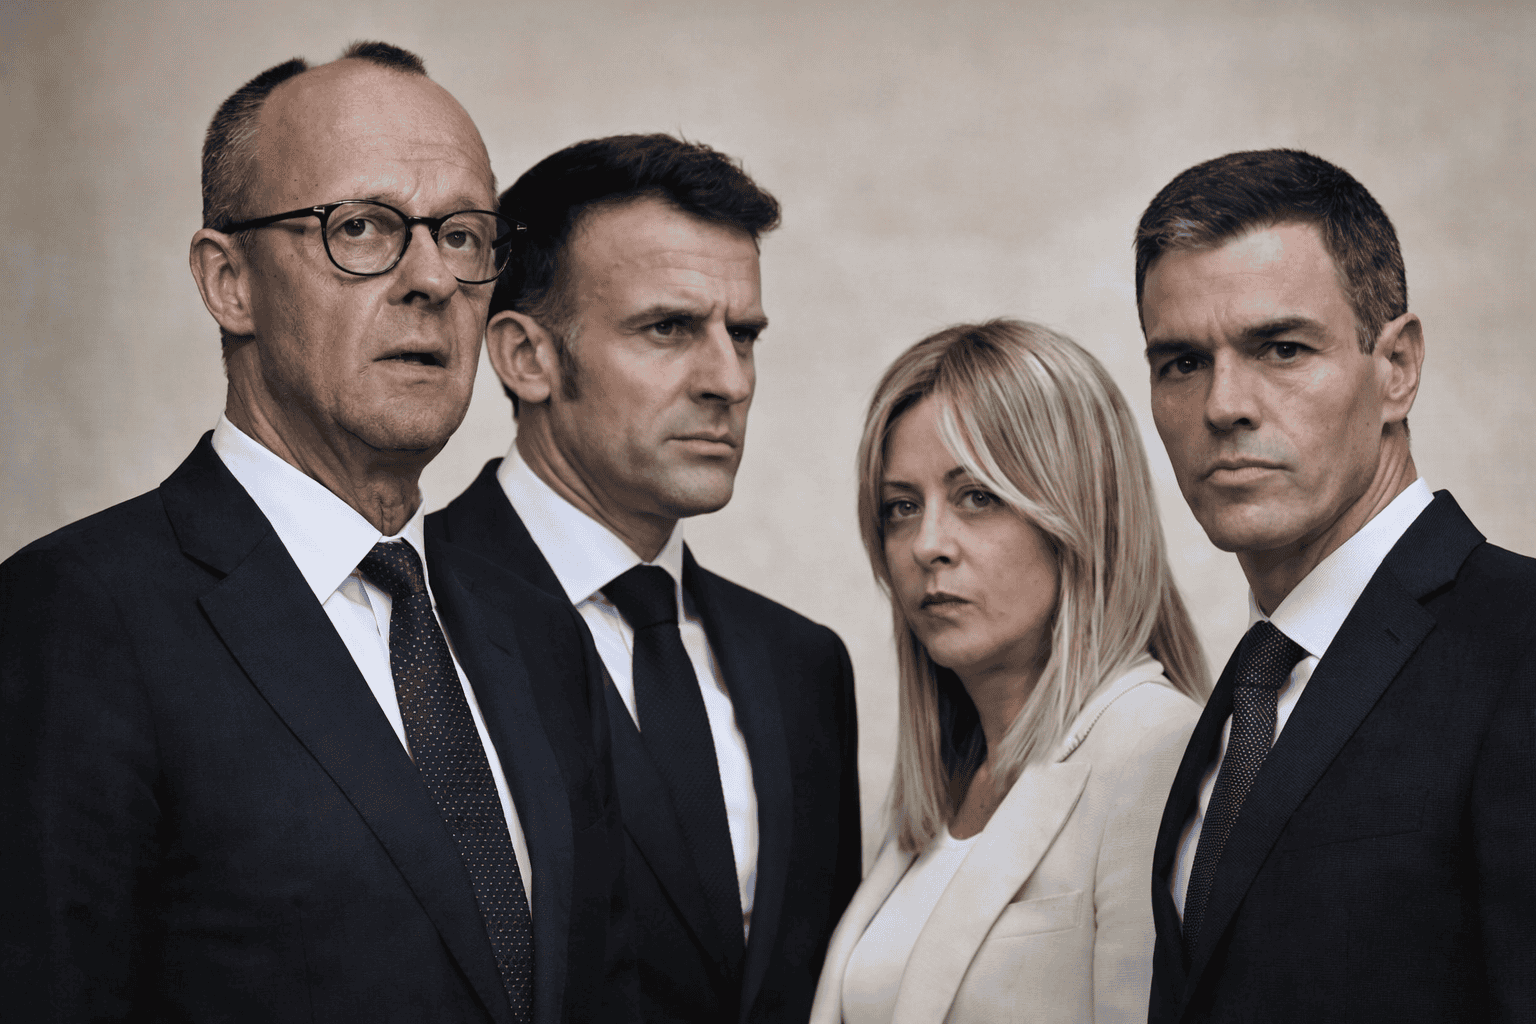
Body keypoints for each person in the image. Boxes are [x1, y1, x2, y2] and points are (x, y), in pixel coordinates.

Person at [0, 43, 633, 1024]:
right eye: (362, 227)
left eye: (464, 235)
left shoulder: (538, 629)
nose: (432, 278)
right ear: (229, 281)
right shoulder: (78, 614)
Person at [426, 133, 861, 1024]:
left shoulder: (804, 666)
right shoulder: (406, 613)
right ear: (526, 357)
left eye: (744, 335)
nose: (729, 380)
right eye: (668, 329)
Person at [1137, 149, 1536, 1023]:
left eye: (1281, 348)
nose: (1224, 405)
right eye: (1182, 363)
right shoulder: (1249, 692)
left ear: (1398, 367)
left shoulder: (1518, 646)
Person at [809, 320, 1207, 1024]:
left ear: (1082, 514)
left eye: (977, 496)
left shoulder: (1159, 750)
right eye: (902, 507)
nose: (928, 544)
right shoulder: (940, 791)